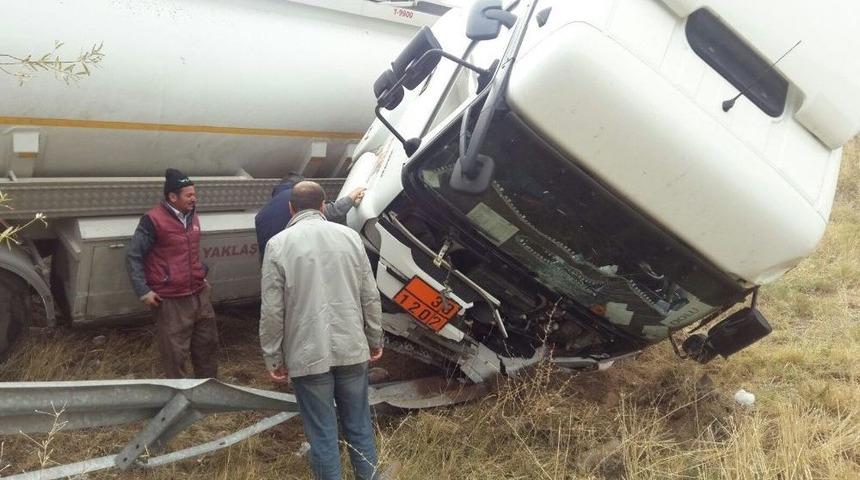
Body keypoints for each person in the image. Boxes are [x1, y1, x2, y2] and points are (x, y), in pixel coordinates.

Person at [259, 181, 384, 480]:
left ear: (291, 208)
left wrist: (273, 358)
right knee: (359, 425)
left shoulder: (277, 245)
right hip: (352, 347)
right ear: (324, 205)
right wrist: (375, 338)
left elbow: (273, 311)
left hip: (307, 353)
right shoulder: (351, 238)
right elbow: (370, 295)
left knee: (323, 434)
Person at [126, 168, 218, 379]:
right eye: (189, 195)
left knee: (207, 345)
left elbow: (189, 252)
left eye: (194, 194)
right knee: (175, 355)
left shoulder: (193, 217)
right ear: (172, 196)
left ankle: (210, 394)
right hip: (171, 300)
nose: (194, 198)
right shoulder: (153, 220)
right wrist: (143, 290)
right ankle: (181, 399)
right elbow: (134, 256)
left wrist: (201, 273)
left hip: (198, 294)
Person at [254, 172, 365, 259]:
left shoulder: (262, 213)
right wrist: (350, 198)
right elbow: (330, 212)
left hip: (271, 260)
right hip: (297, 259)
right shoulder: (295, 197)